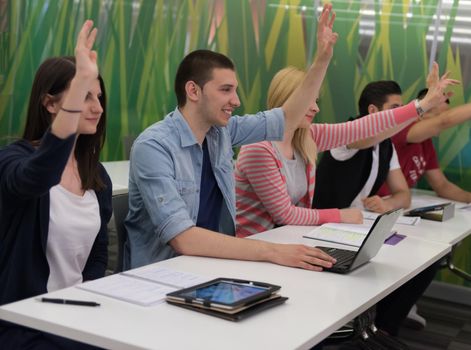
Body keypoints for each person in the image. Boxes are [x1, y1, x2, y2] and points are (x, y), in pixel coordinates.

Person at [125, 4, 340, 272]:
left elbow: (287, 119)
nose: (236, 100)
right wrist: (272, 251)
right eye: (226, 90)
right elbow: (183, 238)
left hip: (215, 265)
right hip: (162, 275)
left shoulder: (222, 132)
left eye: (235, 90)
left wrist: (322, 60)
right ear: (193, 90)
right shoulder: (153, 146)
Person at [234, 68, 451, 238]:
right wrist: (340, 215)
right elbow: (285, 214)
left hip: (285, 241)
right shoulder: (258, 148)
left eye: (316, 101)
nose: (316, 108)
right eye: (310, 100)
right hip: (256, 247)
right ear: (289, 99)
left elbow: (368, 126)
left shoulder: (307, 137)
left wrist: (421, 107)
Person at [0, 21, 111, 349]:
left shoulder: (95, 174)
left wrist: (87, 300)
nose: (98, 108)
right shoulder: (12, 159)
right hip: (24, 324)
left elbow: (98, 252)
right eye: (85, 96)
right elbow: (40, 174)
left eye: (98, 97)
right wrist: (80, 82)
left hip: (75, 318)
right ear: (50, 104)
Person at [313, 80, 411, 213]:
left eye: (402, 108)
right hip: (322, 223)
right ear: (372, 110)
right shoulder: (346, 134)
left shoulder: (387, 145)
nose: (400, 114)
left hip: (357, 221)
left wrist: (387, 204)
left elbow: (404, 195)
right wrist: (418, 109)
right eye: (395, 109)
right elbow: (370, 137)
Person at [379, 63, 471, 203]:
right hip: (375, 205)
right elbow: (444, 121)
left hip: (397, 206)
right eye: (436, 116)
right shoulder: (401, 128)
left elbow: (442, 186)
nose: (439, 125)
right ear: (422, 113)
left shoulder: (426, 144)